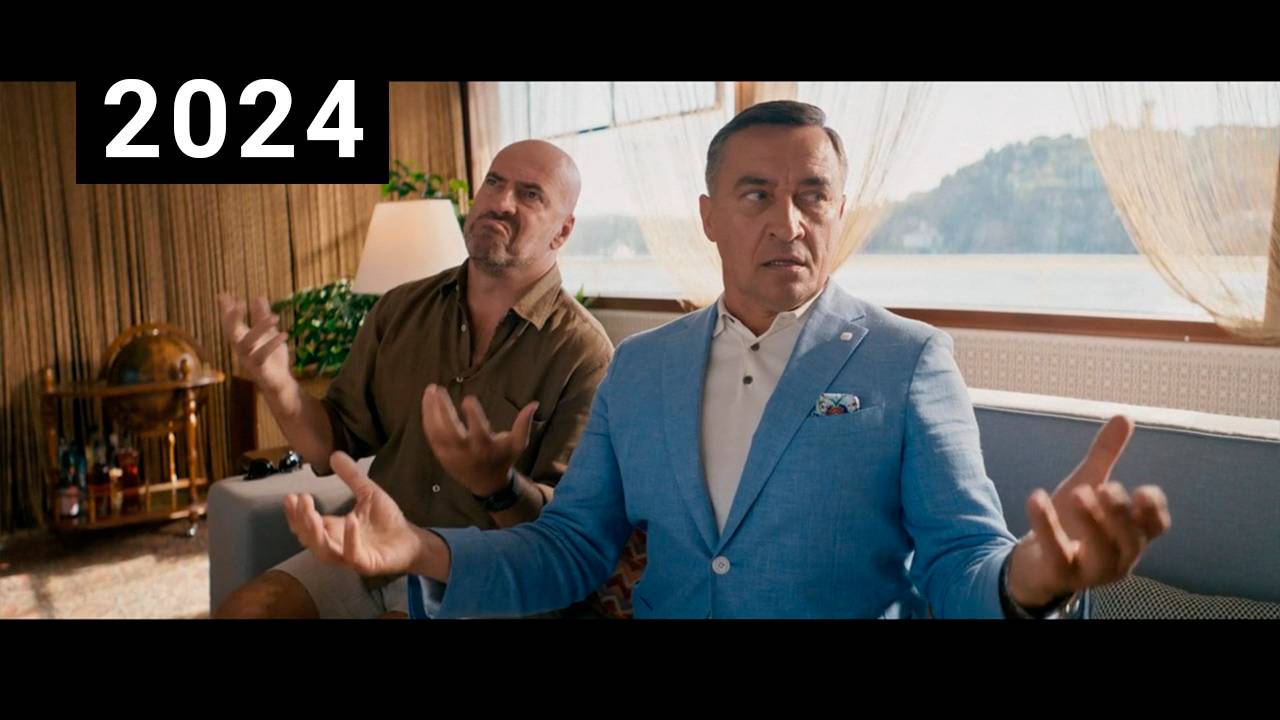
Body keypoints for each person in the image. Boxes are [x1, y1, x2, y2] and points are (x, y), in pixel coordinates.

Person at [284, 102, 1171, 619]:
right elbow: (570, 548)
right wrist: (422, 548)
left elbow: (962, 558)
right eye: (757, 195)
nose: (789, 223)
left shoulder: (908, 361)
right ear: (708, 216)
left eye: (813, 196)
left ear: (839, 211)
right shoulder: (641, 368)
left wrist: (1033, 581)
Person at [214, 139, 614, 618]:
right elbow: (330, 445)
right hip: (376, 547)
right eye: (494, 182)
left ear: (562, 231)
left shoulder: (584, 353)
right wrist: (278, 385)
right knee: (244, 611)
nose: (502, 202)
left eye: (530, 194)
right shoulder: (400, 309)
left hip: (481, 574)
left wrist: (498, 484)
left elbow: (561, 540)